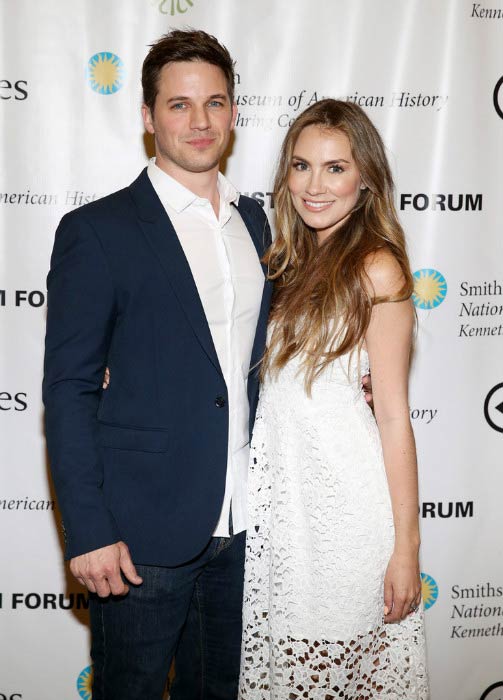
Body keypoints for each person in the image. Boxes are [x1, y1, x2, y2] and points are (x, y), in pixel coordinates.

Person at [43, 29, 273, 699]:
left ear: (233, 112)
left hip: (246, 524)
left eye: (214, 102)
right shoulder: (99, 231)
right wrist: (87, 531)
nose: (199, 122)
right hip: (140, 533)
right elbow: (69, 390)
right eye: (178, 105)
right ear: (147, 117)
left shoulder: (257, 223)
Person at [238, 99, 429, 699]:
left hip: (344, 515)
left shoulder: (377, 268)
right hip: (284, 515)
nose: (314, 186)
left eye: (335, 168)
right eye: (301, 166)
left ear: (366, 178)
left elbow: (394, 415)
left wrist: (407, 548)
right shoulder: (286, 263)